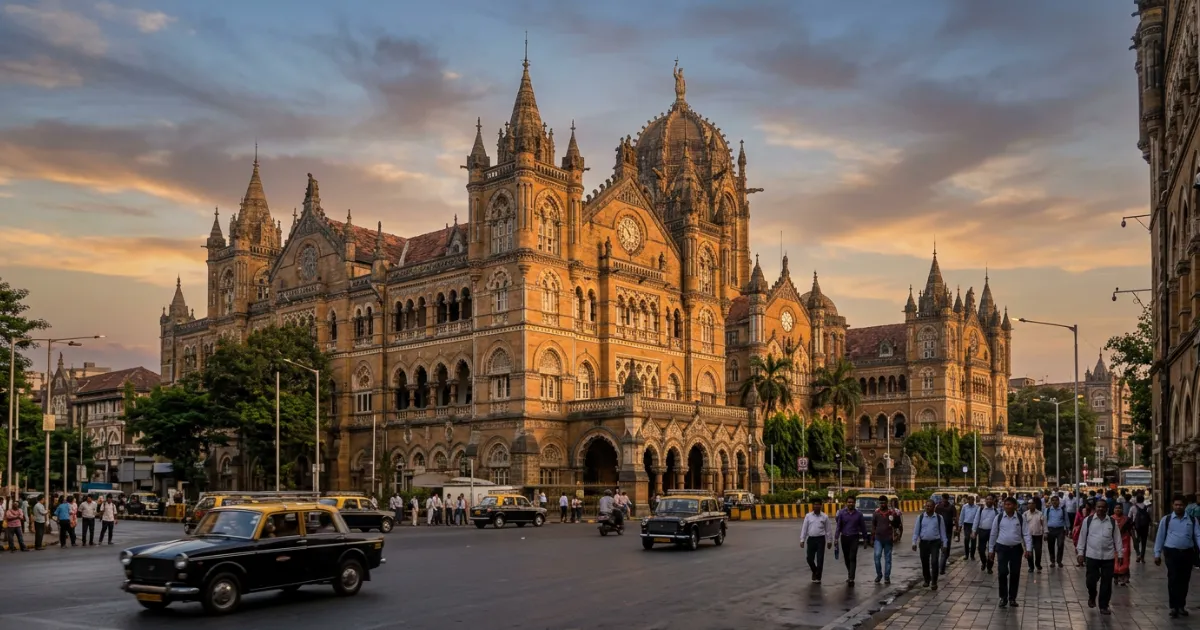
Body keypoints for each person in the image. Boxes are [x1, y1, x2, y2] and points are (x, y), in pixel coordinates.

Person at [1154, 494, 1200, 618]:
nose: (1178, 507)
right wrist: (1157, 553)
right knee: (1173, 578)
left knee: (1184, 580)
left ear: (1185, 506)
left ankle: (1181, 606)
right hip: (1172, 553)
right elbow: (1160, 537)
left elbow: (1198, 536)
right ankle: (1173, 606)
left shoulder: (1192, 519)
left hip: (1187, 553)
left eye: (1181, 505)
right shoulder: (1167, 519)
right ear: (1173, 506)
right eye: (1176, 505)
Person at [1076, 498, 1122, 615]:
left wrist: (1120, 554)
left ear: (1107, 509)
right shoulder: (1088, 520)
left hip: (1108, 557)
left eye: (1103, 507)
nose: (1100, 509)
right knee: (1090, 581)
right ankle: (1092, 594)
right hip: (1092, 555)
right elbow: (1082, 537)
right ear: (1095, 508)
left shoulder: (1112, 522)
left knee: (1106, 583)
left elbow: (1117, 539)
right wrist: (1080, 553)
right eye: (1098, 507)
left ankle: (1104, 605)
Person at [988, 496, 1032, 608]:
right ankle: (1003, 597)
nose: (1007, 506)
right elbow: (993, 534)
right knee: (1002, 572)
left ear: (1015, 506)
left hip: (1016, 549)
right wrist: (991, 550)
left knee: (1015, 573)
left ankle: (1012, 598)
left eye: (1010, 504)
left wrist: (1029, 549)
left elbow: (1026, 534)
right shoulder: (998, 518)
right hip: (1002, 548)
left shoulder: (1020, 518)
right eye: (1006, 504)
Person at [912, 499, 948, 590]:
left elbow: (943, 532)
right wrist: (914, 542)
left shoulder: (939, 518)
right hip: (924, 543)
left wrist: (945, 544)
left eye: (930, 506)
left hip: (935, 543)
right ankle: (927, 580)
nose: (927, 507)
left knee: (934, 562)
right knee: (925, 563)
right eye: (926, 506)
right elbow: (916, 532)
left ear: (934, 507)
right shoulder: (920, 517)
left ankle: (934, 582)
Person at [833, 497, 866, 585]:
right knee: (847, 558)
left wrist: (865, 539)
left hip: (854, 538)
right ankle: (850, 573)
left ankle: (851, 578)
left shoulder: (859, 514)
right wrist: (836, 538)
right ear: (846, 503)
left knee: (852, 557)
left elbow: (863, 527)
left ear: (855, 503)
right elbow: (838, 526)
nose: (850, 504)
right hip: (844, 538)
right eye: (849, 502)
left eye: (852, 502)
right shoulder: (841, 513)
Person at [872, 495, 902, 584]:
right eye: (880, 503)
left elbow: (898, 525)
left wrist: (895, 518)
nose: (882, 504)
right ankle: (879, 575)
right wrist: (872, 538)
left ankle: (887, 577)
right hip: (878, 539)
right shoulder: (876, 513)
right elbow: (873, 525)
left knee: (888, 559)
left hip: (888, 539)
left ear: (887, 503)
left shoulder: (892, 513)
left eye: (884, 502)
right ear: (879, 503)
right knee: (877, 557)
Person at [799, 503, 832, 583]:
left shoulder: (824, 516)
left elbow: (828, 529)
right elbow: (804, 528)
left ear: (821, 506)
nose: (816, 506)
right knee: (809, 558)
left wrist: (829, 540)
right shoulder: (808, 516)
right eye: (815, 504)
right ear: (813, 506)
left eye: (818, 505)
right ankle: (815, 571)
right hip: (811, 539)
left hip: (821, 540)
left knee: (820, 559)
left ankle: (818, 577)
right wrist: (802, 539)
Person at [974, 495, 1001, 573]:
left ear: (993, 501)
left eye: (990, 499)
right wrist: (974, 530)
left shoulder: (996, 511)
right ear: (985, 500)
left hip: (992, 533)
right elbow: (976, 520)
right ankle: (984, 562)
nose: (989, 500)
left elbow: (999, 523)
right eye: (987, 499)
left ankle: (989, 567)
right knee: (980, 549)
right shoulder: (981, 509)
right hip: (982, 531)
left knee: (991, 549)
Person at [935, 494, 957, 575]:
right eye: (943, 498)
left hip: (948, 530)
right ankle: (941, 566)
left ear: (947, 499)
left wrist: (957, 529)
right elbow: (935, 517)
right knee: (941, 548)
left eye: (945, 498)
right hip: (939, 531)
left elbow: (955, 518)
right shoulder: (938, 507)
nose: (944, 500)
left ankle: (943, 563)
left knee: (946, 547)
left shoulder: (951, 507)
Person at [1111, 503, 1132, 586]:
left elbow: (1131, 530)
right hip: (1114, 542)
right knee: (1115, 559)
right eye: (1116, 508)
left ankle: (1124, 578)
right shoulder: (1111, 519)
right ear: (1113, 509)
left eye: (1119, 508)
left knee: (1125, 558)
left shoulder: (1127, 519)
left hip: (1125, 541)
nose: (1118, 510)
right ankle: (1115, 577)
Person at [1045, 495, 1069, 568]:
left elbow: (1066, 519)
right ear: (1051, 502)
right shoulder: (1048, 510)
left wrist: (1068, 529)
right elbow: (1045, 521)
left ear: (1059, 501)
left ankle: (1059, 561)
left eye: (1056, 500)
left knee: (1060, 545)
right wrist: (1045, 532)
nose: (1054, 502)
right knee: (1050, 546)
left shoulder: (1062, 510)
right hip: (1050, 530)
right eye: (1053, 500)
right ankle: (1052, 561)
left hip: (1060, 530)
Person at [1025, 497, 1045, 573]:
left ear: (1035, 505)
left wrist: (1045, 533)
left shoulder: (1040, 513)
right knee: (1029, 551)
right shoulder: (1025, 514)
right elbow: (1023, 526)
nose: (1030, 505)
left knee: (1038, 551)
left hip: (1038, 535)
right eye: (1029, 503)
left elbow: (1044, 524)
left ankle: (1038, 564)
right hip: (1028, 536)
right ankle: (1031, 566)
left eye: (1032, 503)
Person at [1130, 494, 1152, 562]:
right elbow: (1149, 516)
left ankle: (1138, 554)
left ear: (1136, 499)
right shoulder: (1146, 507)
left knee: (1135, 541)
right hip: (1145, 527)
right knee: (1144, 542)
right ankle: (1142, 556)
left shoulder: (1133, 507)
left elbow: (1129, 516)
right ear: (1143, 499)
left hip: (1136, 527)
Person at [959, 495, 979, 560]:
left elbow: (978, 517)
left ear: (974, 500)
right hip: (966, 525)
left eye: (973, 500)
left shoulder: (977, 507)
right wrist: (960, 525)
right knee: (966, 539)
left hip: (974, 525)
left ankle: (972, 555)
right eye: (970, 500)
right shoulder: (964, 507)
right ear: (968, 500)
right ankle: (966, 555)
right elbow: (962, 516)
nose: (971, 501)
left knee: (973, 540)